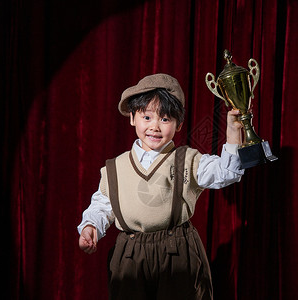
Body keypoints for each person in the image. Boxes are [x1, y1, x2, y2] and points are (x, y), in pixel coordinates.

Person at [77, 73, 244, 300]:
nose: (155, 126)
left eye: (165, 119)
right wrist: (91, 226)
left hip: (178, 251)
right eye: (147, 117)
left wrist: (234, 131)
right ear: (132, 118)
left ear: (178, 125)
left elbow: (228, 172)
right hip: (130, 255)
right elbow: (103, 204)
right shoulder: (115, 167)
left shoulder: (188, 160)